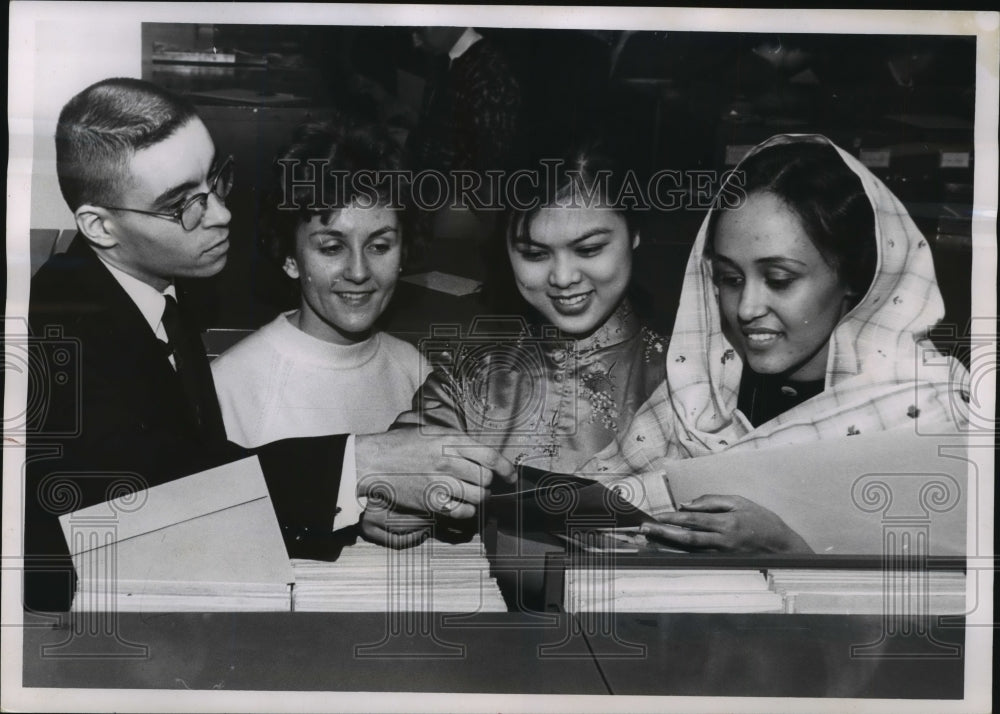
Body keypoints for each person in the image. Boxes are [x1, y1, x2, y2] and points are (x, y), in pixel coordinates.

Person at [24, 78, 512, 611]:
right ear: (99, 225)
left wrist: (349, 506)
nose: (220, 213)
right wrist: (361, 463)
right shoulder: (59, 334)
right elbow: (145, 511)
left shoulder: (151, 289)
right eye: (182, 204)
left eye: (215, 180)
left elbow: (194, 472)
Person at [588, 134, 970, 552]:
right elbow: (595, 508)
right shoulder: (702, 395)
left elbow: (943, 604)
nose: (747, 308)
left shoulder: (930, 418)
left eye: (779, 280)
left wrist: (789, 552)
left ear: (857, 278)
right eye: (731, 280)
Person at [391, 144, 666, 474]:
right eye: (535, 254)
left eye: (589, 249)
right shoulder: (462, 386)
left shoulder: (690, 381)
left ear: (634, 233)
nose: (563, 278)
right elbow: (399, 483)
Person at [211, 118, 424, 447]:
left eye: (379, 246)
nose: (358, 272)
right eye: (332, 248)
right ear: (290, 259)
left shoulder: (414, 369)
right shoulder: (233, 386)